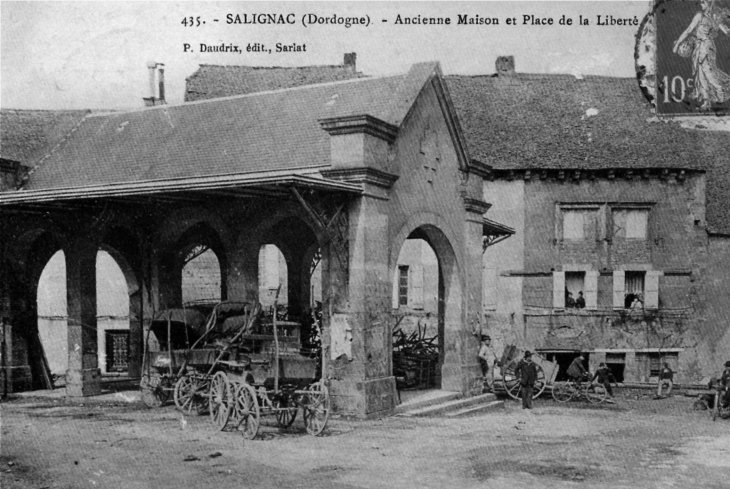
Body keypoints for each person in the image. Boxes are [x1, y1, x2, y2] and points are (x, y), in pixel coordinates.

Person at [673, 0, 730, 110]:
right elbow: (689, 30)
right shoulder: (703, 15)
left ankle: (721, 90)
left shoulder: (712, 16)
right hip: (700, 46)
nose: (701, 5)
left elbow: (689, 30)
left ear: (709, 3)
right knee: (700, 73)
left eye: (703, 2)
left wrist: (677, 45)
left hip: (706, 46)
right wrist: (678, 43)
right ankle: (706, 101)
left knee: (708, 71)